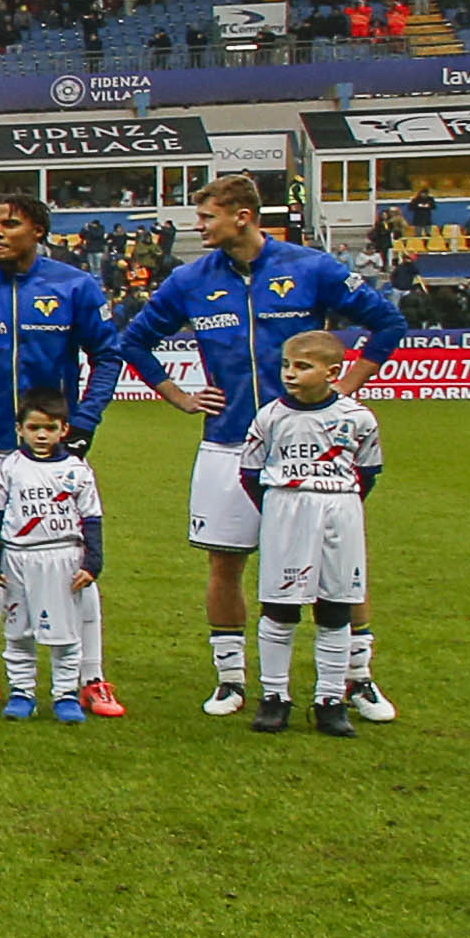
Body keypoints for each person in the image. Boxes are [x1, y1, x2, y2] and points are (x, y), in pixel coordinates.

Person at [108, 174, 409, 725]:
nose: (198, 229)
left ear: (242, 216)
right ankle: (231, 682)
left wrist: (346, 389)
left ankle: (356, 679)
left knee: (335, 571)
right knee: (226, 564)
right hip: (226, 442)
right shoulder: (188, 280)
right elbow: (132, 339)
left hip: (313, 448)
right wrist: (176, 394)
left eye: (207, 219)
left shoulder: (310, 268)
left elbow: (387, 322)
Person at [0, 194, 116, 711]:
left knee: (73, 558)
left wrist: (83, 423)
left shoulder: (73, 285)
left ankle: (91, 677)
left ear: (38, 230)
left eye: (9, 224)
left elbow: (107, 356)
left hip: (55, 453)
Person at [235, 330, 384, 737]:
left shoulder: (358, 418)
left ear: (332, 372)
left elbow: (368, 472)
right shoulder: (270, 416)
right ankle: (275, 697)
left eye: (302, 366)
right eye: (286, 365)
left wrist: (339, 504)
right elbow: (250, 473)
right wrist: (281, 511)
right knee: (280, 607)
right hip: (287, 506)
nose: (290, 374)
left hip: (341, 509)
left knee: (336, 608)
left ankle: (330, 700)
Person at [0, 390, 104, 725]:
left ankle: (65, 695)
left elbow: (92, 518)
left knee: (65, 634)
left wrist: (92, 563)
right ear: (20, 429)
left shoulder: (77, 469)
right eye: (33, 428)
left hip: (63, 557)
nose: (41, 435)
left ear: (64, 430)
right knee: (18, 631)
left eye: (49, 428)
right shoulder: (9, 468)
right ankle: (22, 693)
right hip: (18, 559)